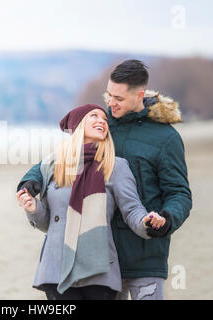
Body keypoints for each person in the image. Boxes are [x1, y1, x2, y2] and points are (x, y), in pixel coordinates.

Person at [17, 60, 192, 300]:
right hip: (98, 259)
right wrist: (30, 182)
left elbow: (179, 192)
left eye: (118, 99)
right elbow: (55, 162)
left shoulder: (165, 138)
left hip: (144, 253)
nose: (111, 103)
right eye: (109, 95)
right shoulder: (102, 127)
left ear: (139, 95)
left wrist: (166, 219)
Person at [16, 104, 167, 300]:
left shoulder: (115, 166)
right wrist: (33, 208)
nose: (102, 121)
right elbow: (51, 223)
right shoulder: (54, 165)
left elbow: (132, 209)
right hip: (56, 266)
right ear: (78, 125)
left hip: (99, 268)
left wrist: (147, 221)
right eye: (94, 116)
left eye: (104, 119)